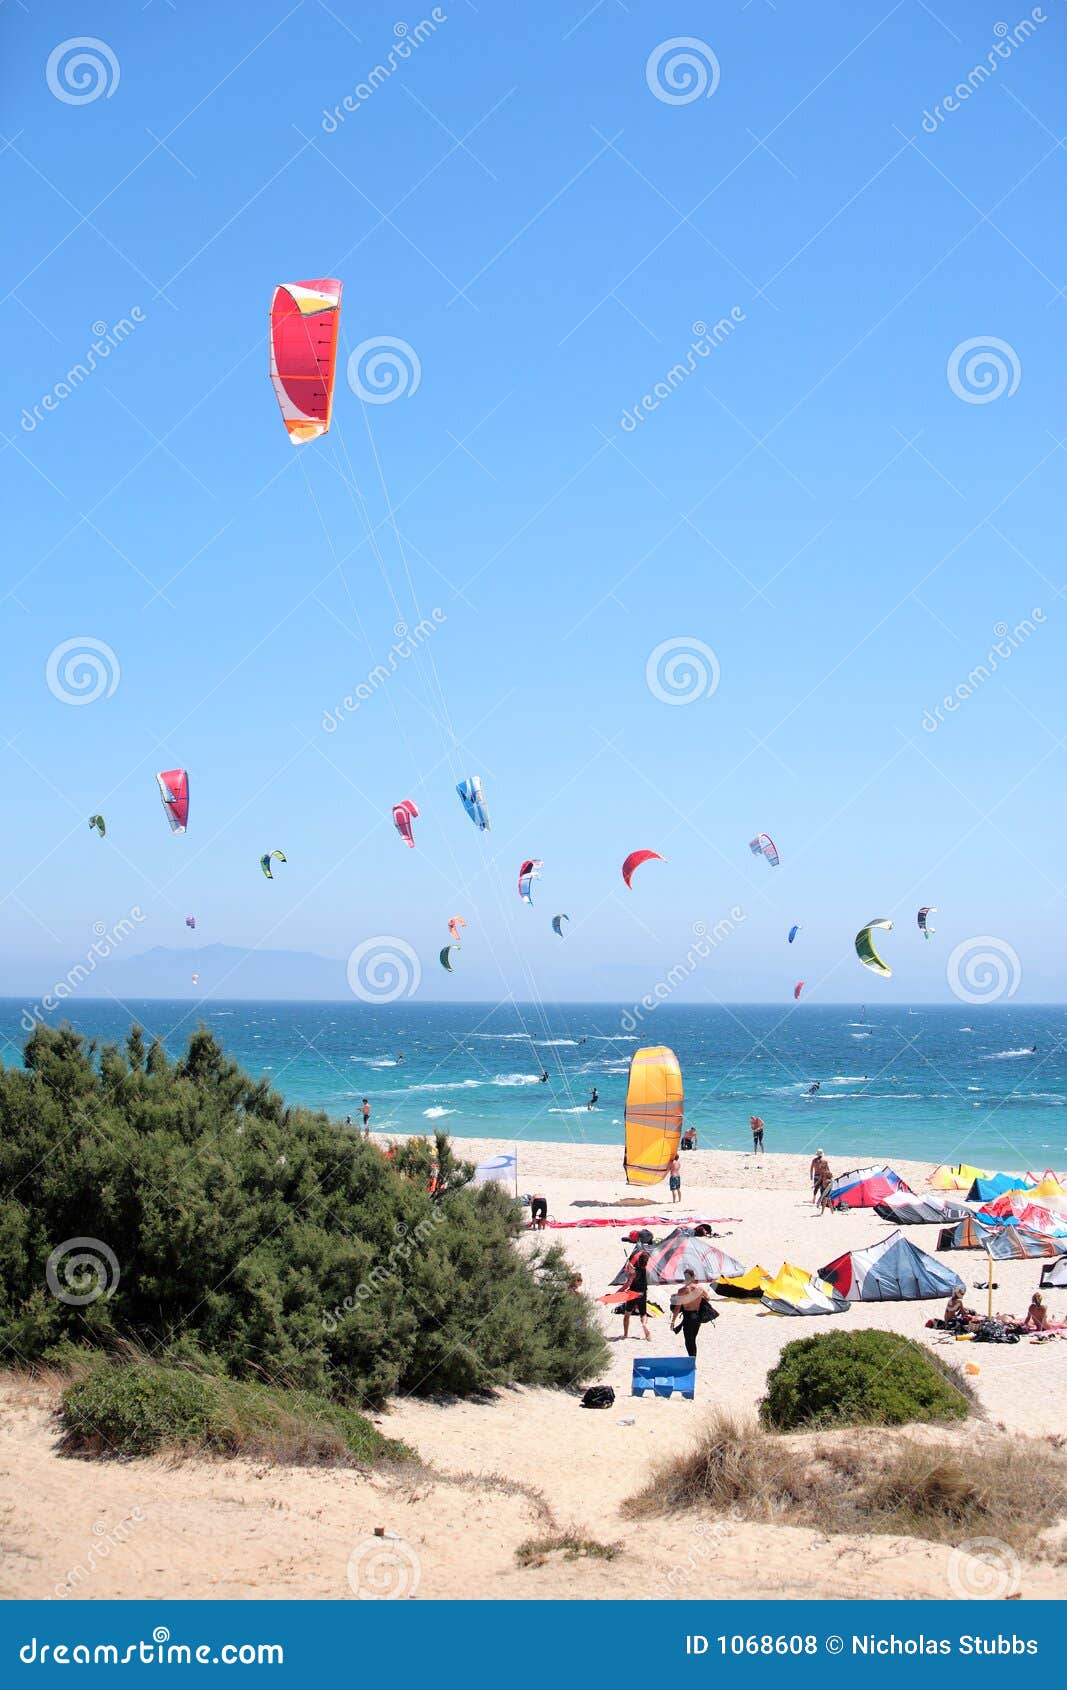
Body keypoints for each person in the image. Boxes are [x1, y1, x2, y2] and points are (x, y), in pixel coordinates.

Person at [671, 1269, 715, 1357]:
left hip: (688, 1317)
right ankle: (692, 1358)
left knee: (688, 1340)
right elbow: (708, 1298)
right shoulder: (700, 1289)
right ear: (693, 1277)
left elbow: (677, 1308)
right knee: (693, 1339)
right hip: (697, 1316)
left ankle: (692, 1359)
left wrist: (673, 1321)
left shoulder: (682, 1291)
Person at [617, 1249, 651, 1341]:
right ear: (646, 1262)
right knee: (643, 1314)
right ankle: (644, 1325)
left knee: (627, 1314)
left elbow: (628, 1284)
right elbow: (636, 1271)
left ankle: (625, 1334)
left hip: (632, 1294)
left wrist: (619, 1291)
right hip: (641, 1294)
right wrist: (631, 1267)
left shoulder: (633, 1272)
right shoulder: (645, 1271)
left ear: (638, 1260)